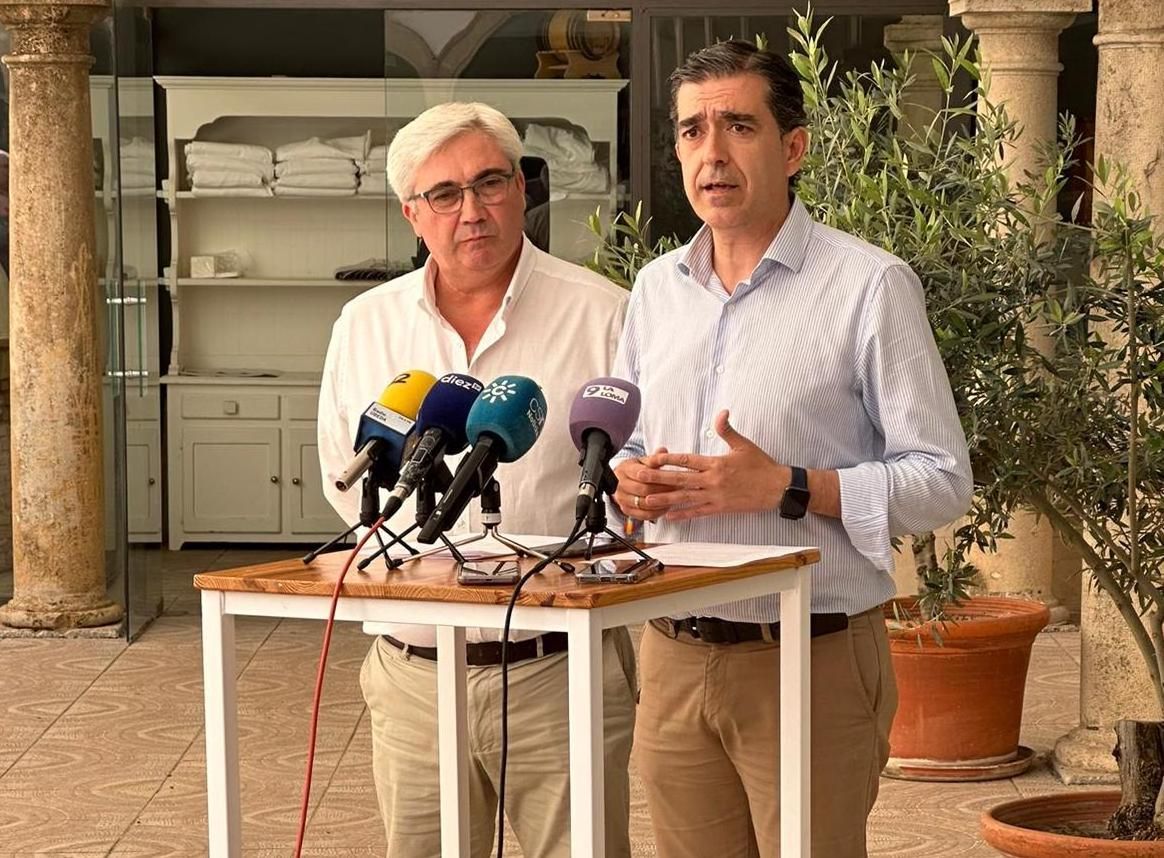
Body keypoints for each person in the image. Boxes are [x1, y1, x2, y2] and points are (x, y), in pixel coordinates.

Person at [611, 40, 973, 858]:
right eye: (693, 131)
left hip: (809, 658)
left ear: (794, 147)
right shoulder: (656, 289)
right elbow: (627, 435)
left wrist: (787, 486)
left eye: (739, 126)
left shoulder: (870, 286)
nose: (712, 152)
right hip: (671, 654)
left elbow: (943, 480)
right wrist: (626, 481)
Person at [316, 102, 635, 858]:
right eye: (444, 194)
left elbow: (634, 490)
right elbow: (343, 475)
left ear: (522, 189)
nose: (472, 210)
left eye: (490, 183)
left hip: (559, 670)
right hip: (414, 675)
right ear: (411, 213)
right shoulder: (365, 324)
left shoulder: (606, 314)